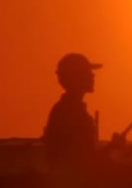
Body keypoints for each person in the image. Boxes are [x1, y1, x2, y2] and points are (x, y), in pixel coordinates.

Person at [42, 53, 123, 186]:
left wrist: (111, 148)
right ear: (76, 77)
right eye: (87, 72)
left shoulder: (67, 109)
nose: (92, 76)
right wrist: (112, 149)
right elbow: (80, 161)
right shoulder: (71, 112)